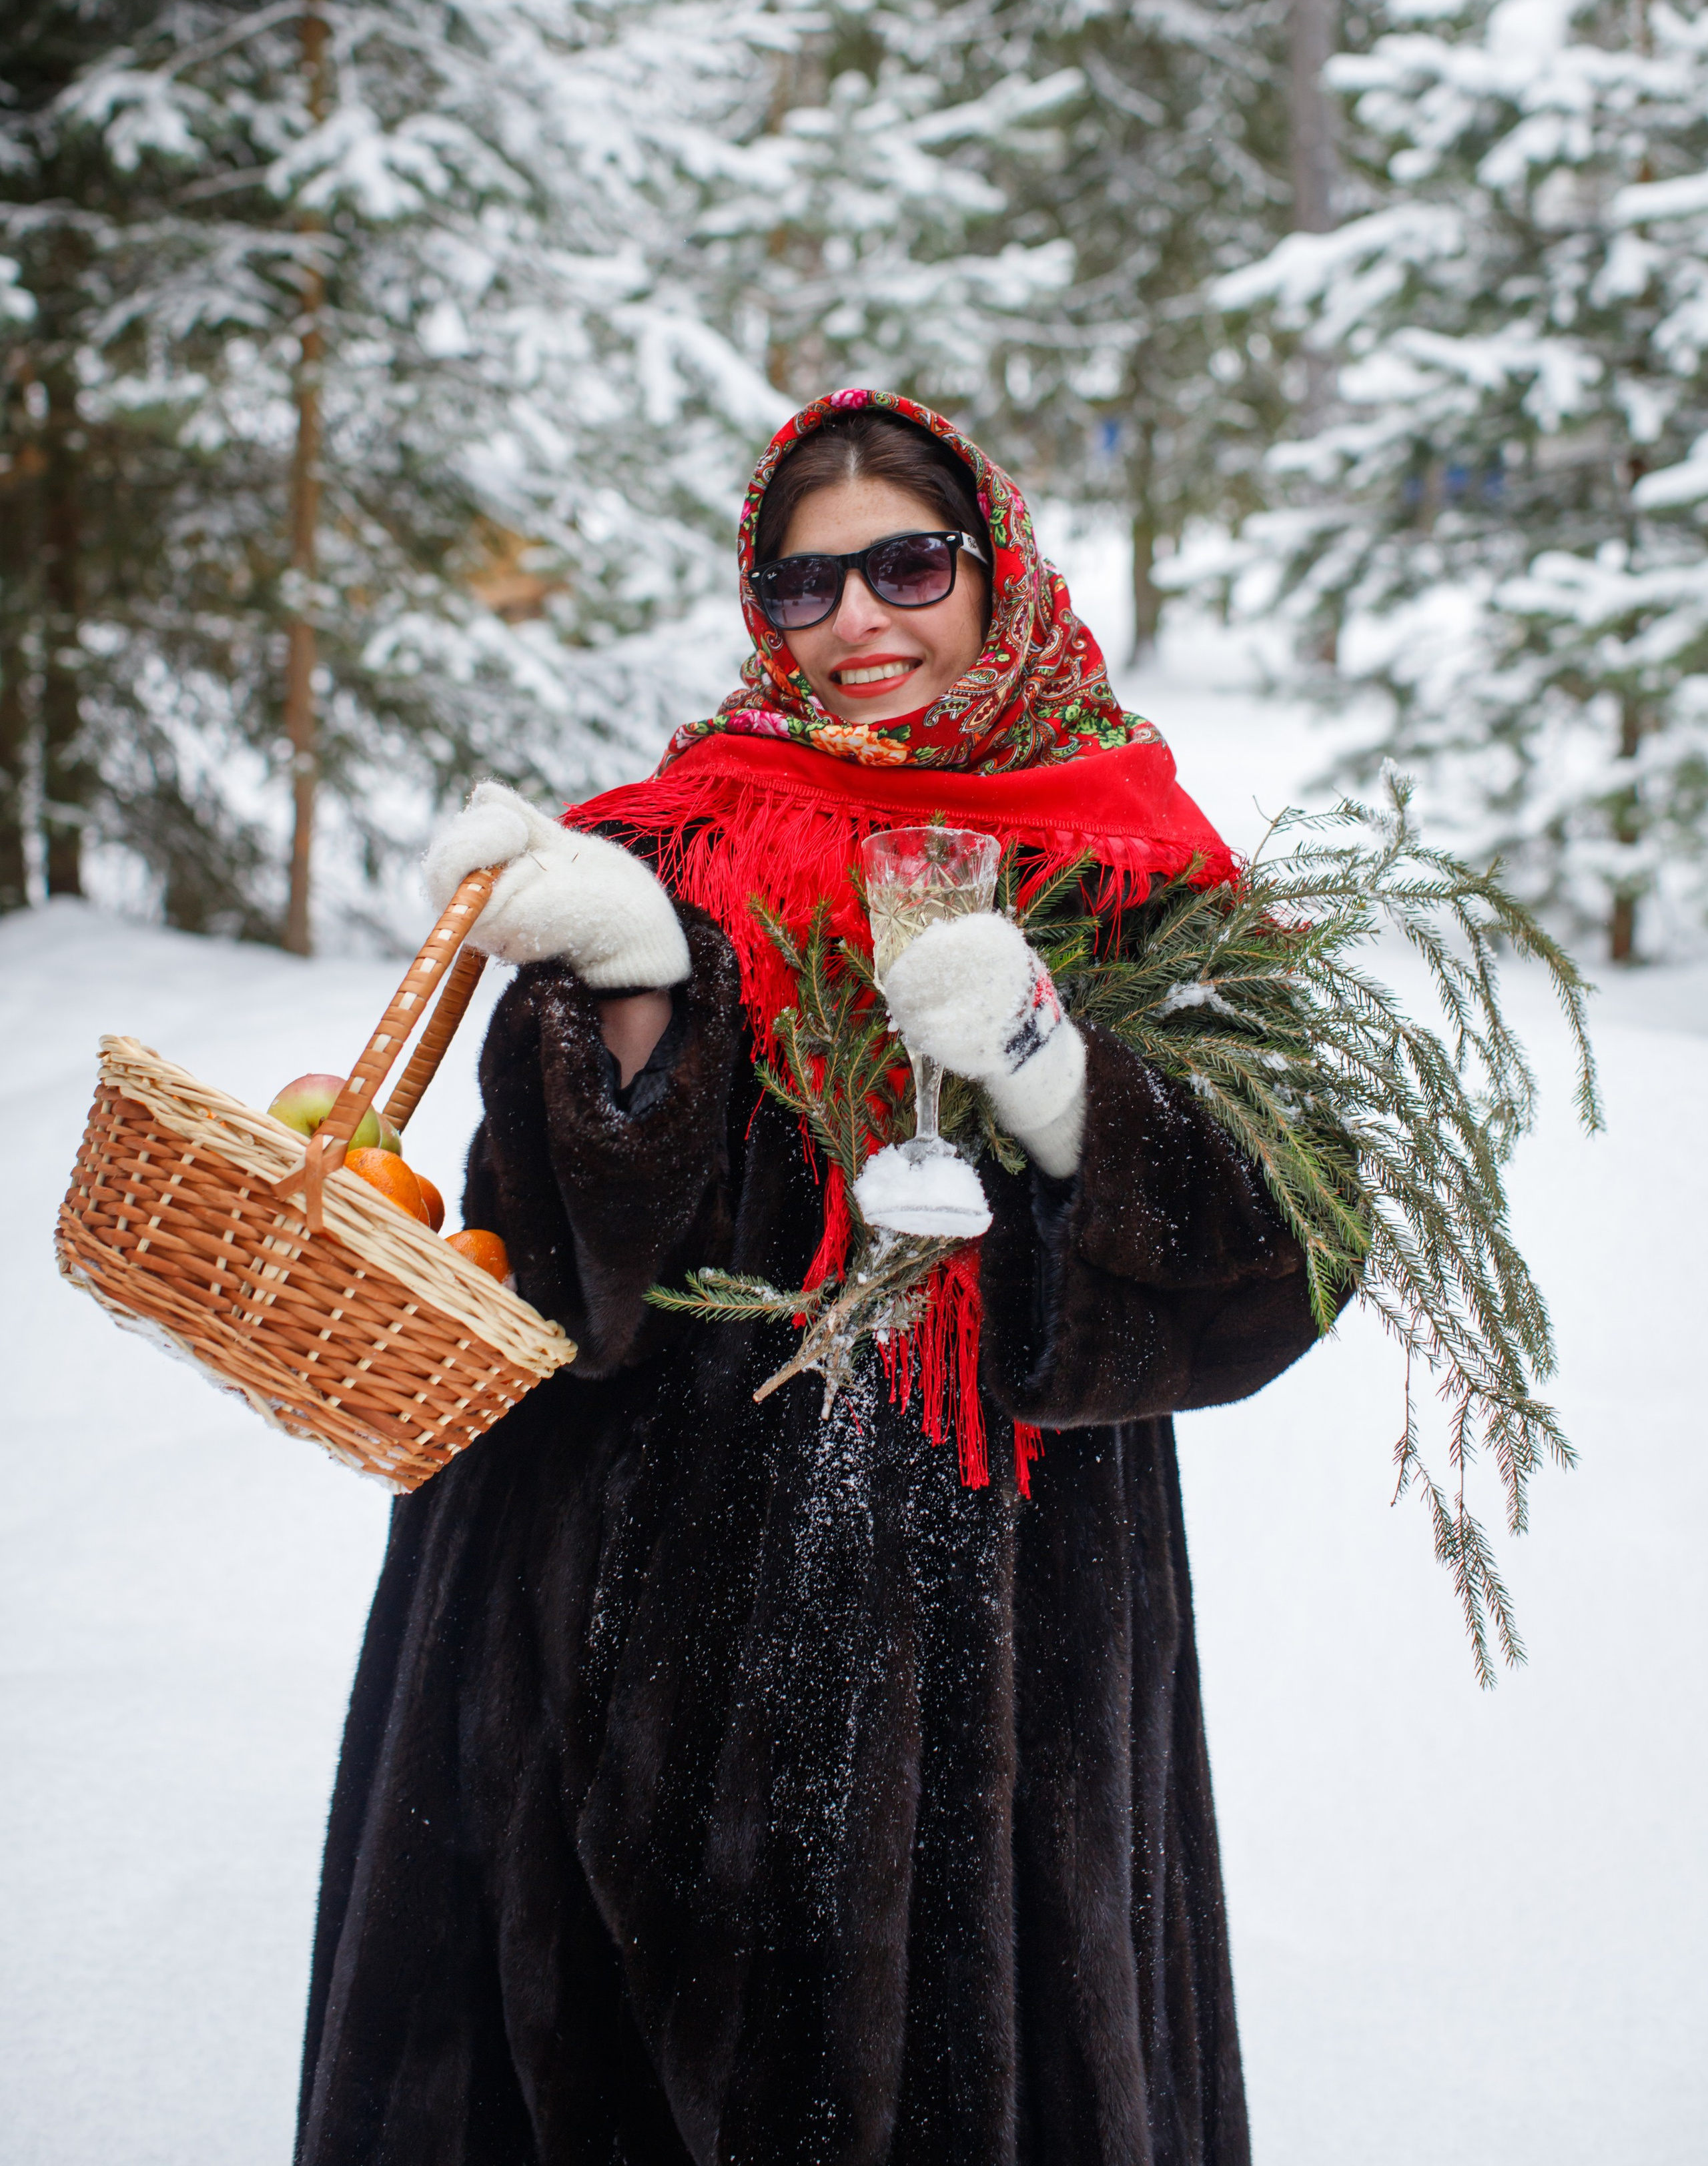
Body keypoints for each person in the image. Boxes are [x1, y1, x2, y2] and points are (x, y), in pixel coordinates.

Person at [296, 390, 1321, 2166]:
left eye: (908, 567)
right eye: (804, 586)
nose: (859, 622)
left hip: (992, 1633)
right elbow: (537, 1266)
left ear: (996, 575)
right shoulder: (666, 843)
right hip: (612, 1605)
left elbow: (1282, 1259)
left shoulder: (1139, 872)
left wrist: (1062, 1076)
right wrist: (632, 997)